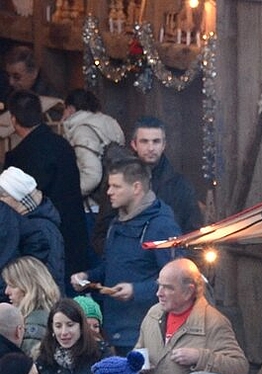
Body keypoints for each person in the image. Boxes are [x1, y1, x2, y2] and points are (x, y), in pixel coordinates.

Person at [71, 156, 181, 355]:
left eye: (116, 186)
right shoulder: (116, 223)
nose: (109, 192)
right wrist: (88, 277)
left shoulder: (161, 226)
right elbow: (112, 265)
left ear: (136, 187)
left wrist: (136, 290)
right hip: (114, 330)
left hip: (146, 333)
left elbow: (177, 280)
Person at [135, 258, 248, 374]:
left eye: (168, 288)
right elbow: (139, 348)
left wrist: (200, 357)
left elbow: (239, 367)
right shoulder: (153, 313)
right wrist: (137, 362)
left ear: (188, 291)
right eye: (159, 285)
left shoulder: (214, 322)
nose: (158, 293)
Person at [4, 91, 89, 286]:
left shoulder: (18, 157)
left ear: (13, 119)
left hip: (37, 242)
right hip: (73, 234)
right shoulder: (63, 146)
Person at [61, 89, 125, 233]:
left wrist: (70, 195)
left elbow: (92, 175)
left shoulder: (82, 131)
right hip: (114, 201)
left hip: (92, 207)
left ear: (70, 109)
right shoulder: (111, 124)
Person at [130, 116, 203, 234]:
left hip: (169, 249)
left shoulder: (180, 185)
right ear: (134, 144)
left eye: (156, 141)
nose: (150, 148)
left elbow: (193, 229)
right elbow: (104, 229)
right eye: (144, 141)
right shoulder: (119, 181)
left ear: (164, 145)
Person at [0, 166, 65, 293]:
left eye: (2, 197)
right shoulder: (30, 225)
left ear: (17, 198)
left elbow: (48, 274)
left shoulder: (41, 228)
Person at [36, 298, 108, 374]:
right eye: (58, 326)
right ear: (52, 328)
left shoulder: (101, 354)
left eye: (70, 325)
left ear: (81, 326)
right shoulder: (43, 359)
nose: (64, 332)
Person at [3, 255, 60, 357]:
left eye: (12, 286)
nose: (7, 292)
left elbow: (25, 366)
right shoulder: (48, 315)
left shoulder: (34, 325)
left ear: (29, 287)